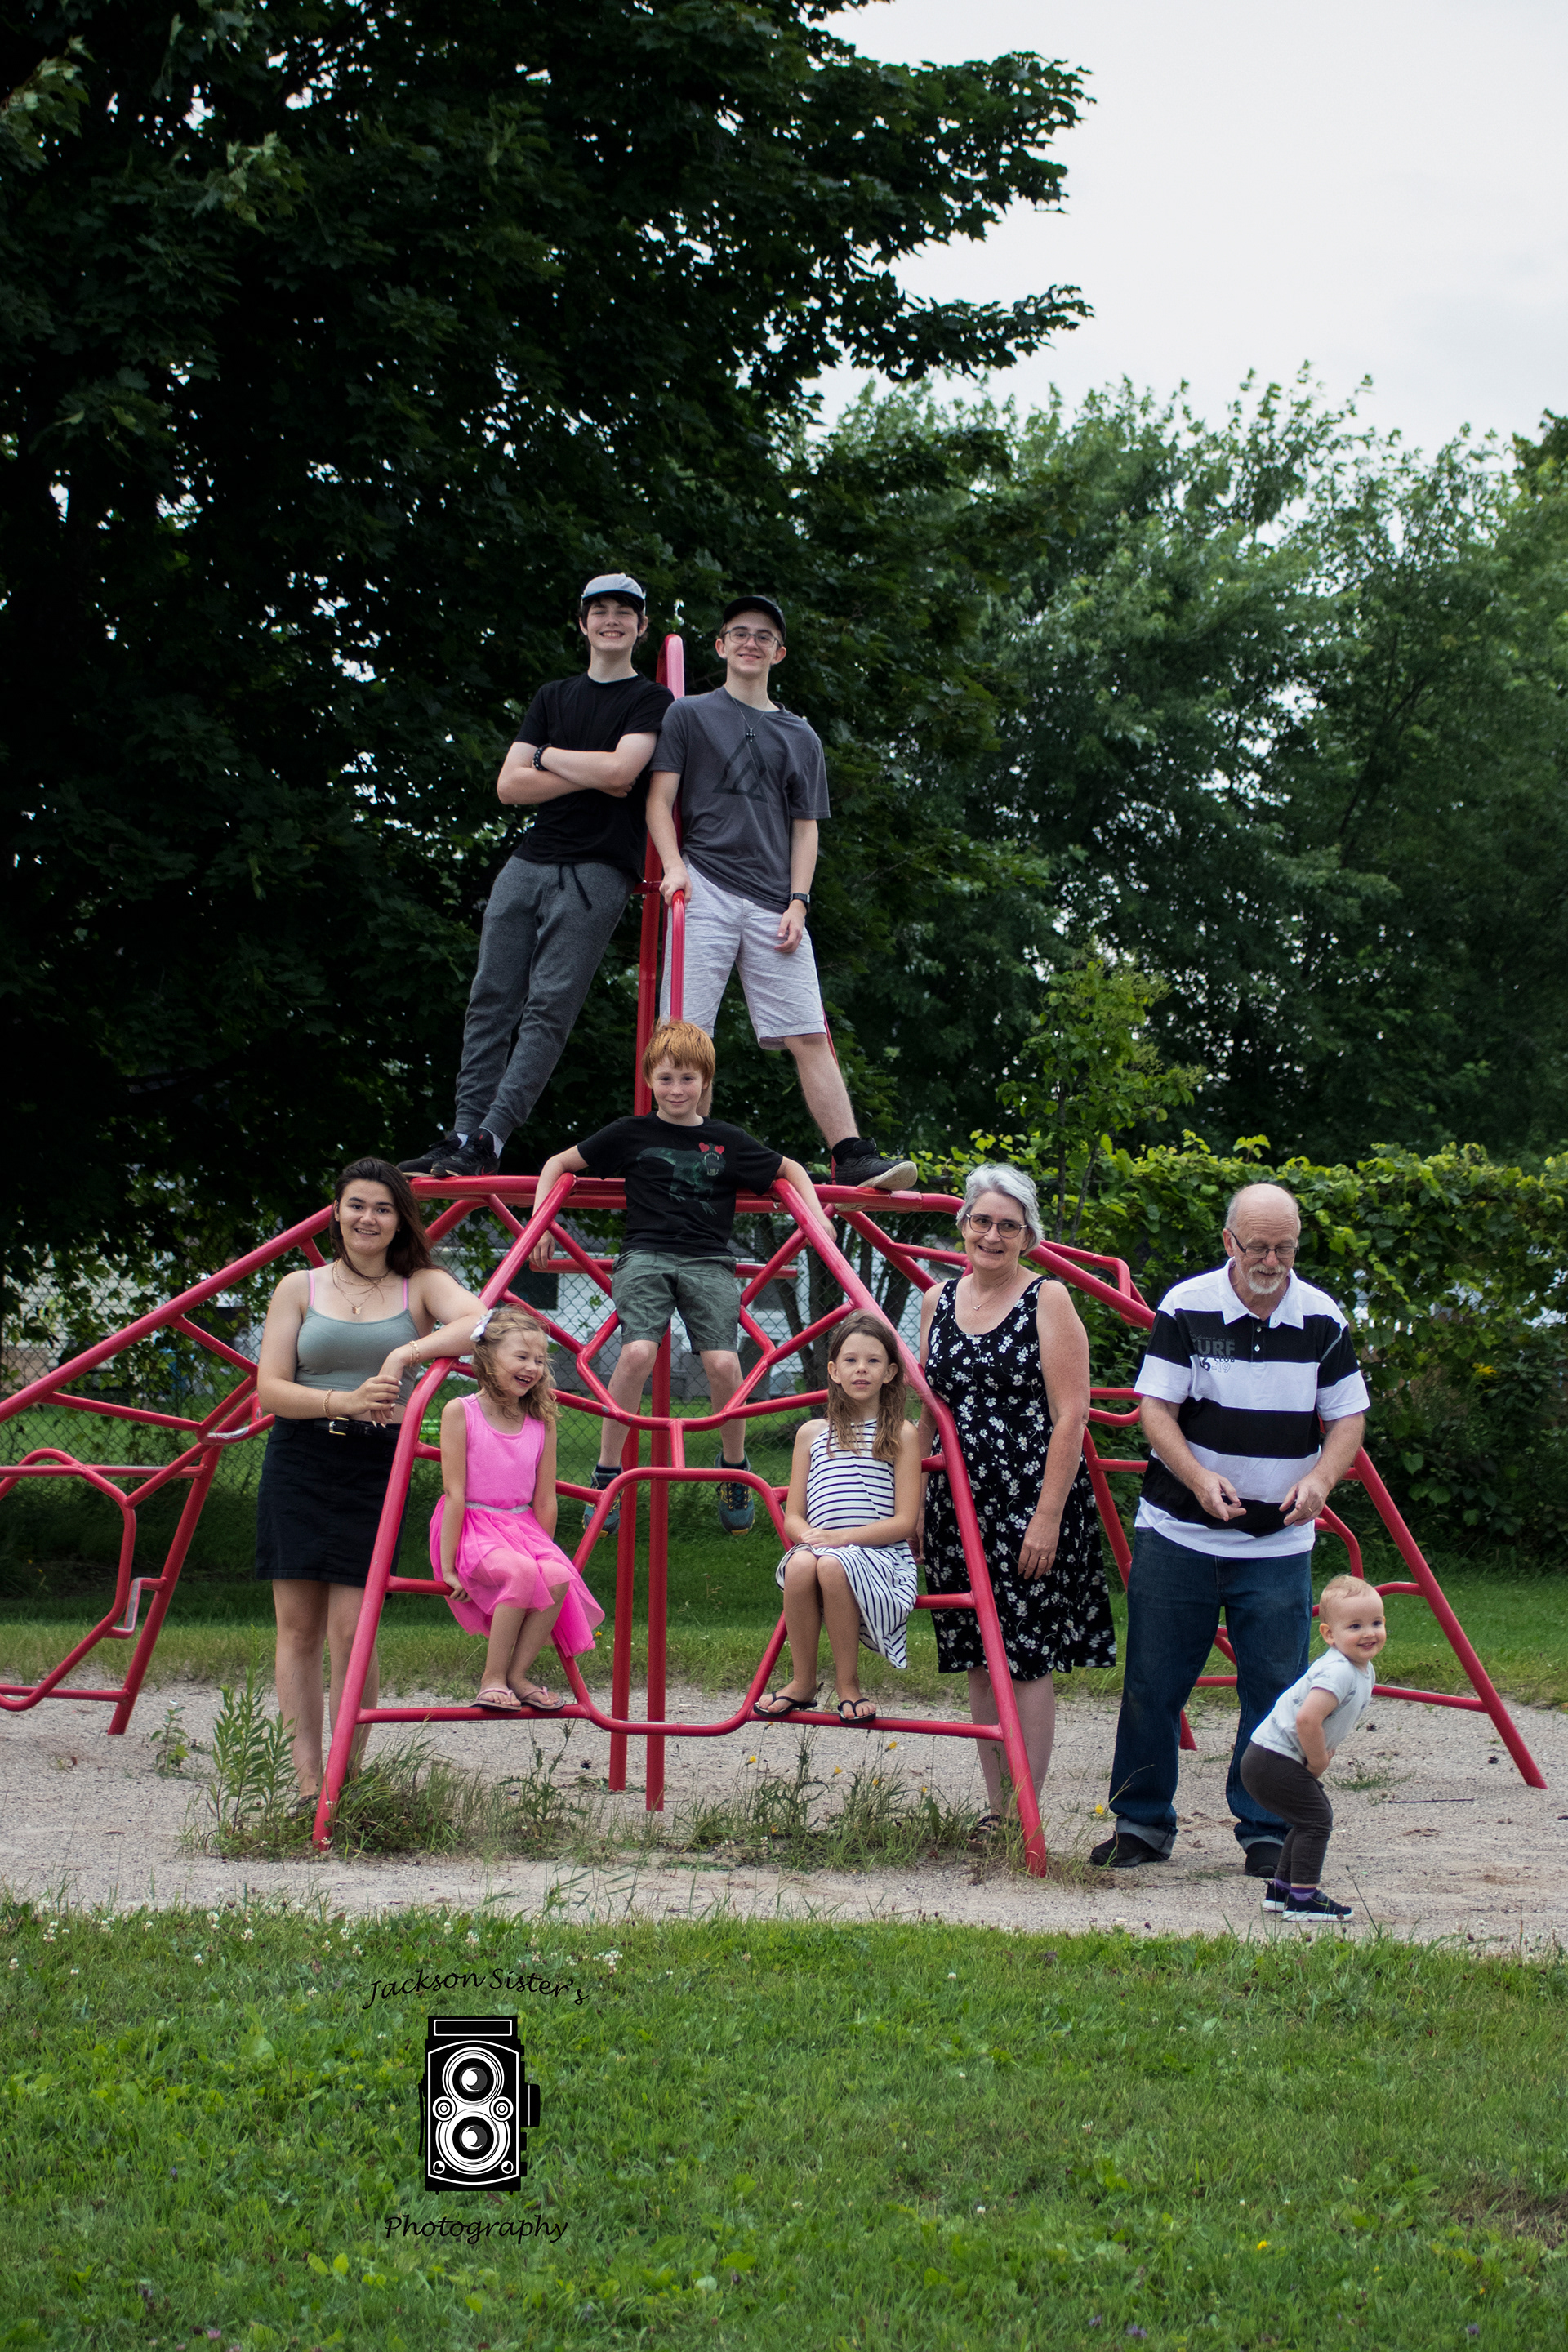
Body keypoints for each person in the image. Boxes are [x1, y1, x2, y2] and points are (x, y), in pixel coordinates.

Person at [1092, 1180, 1370, 1878]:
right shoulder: (1186, 1304)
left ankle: (1267, 1829)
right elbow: (1155, 1410)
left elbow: (1348, 1417)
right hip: (1178, 1529)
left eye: (1285, 1247)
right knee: (1153, 1684)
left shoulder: (1323, 1317)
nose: (1272, 1261)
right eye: (1259, 1247)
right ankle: (1141, 1823)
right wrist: (1196, 1477)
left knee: (1275, 1689)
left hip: (1279, 1539)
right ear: (1229, 1242)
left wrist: (1321, 1480)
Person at [399, 573, 673, 1182]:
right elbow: (509, 785)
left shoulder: (651, 700)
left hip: (598, 870)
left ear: (641, 627)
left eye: (624, 612)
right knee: (489, 999)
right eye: (599, 610)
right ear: (582, 623)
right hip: (529, 862)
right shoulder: (553, 696)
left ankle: (492, 1137)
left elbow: (622, 774)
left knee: (549, 1007)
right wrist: (583, 768)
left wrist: (546, 758)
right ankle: (462, 1134)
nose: (611, 620)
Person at [646, 595, 915, 1192]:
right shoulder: (689, 714)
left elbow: (805, 828)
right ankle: (681, 1155)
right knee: (686, 1036)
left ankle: (852, 1155)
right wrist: (674, 867)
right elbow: (659, 801)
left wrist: (799, 901)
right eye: (739, 633)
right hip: (706, 882)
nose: (751, 642)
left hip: (774, 901)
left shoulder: (800, 734)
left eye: (763, 636)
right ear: (721, 645)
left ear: (779, 652)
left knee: (809, 1031)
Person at [531, 1018, 835, 1537]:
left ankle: (734, 1469)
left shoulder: (725, 1140)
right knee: (636, 1353)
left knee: (724, 1362)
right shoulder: (630, 1133)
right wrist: (542, 1222)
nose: (676, 1089)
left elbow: (792, 1170)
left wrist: (816, 1218)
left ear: (705, 1082)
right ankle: (608, 1471)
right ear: (650, 1079)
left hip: (708, 1260)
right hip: (645, 1255)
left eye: (688, 1078)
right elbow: (558, 1164)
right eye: (667, 1078)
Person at [254, 1158, 486, 1804]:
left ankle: (344, 1779)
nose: (368, 1218)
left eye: (383, 1208)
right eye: (357, 1205)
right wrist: (344, 1401)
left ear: (399, 1220)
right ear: (336, 1212)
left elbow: (483, 1324)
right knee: (297, 1627)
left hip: (375, 1463)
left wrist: (408, 1351)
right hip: (300, 1457)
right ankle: (307, 1781)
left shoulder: (421, 1285)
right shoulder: (298, 1287)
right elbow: (270, 1389)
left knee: (353, 1630)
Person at [916, 1165, 1116, 1838]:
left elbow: (1072, 1415)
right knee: (979, 1652)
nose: (993, 1236)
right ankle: (997, 1810)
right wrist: (915, 1504)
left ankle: (1025, 1812)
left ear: (1028, 1236)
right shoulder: (936, 1299)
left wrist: (1048, 1516)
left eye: (1009, 1225)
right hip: (956, 1501)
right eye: (982, 1221)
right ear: (963, 1225)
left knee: (1024, 1654)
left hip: (1029, 1499)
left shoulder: (1047, 1298)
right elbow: (929, 1412)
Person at [430, 1304, 604, 1714]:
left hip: (522, 1527)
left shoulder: (541, 1419)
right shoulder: (461, 1412)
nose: (532, 1368)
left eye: (540, 1360)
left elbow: (545, 1498)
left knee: (557, 1575)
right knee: (522, 1572)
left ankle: (518, 1675)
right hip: (472, 1524)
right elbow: (454, 1493)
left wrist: (544, 1549)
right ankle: (491, 1677)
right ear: (489, 1357)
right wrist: (448, 1565)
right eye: (522, 1356)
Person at [755, 1311, 922, 1728]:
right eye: (850, 1360)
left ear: (890, 1373)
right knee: (800, 1564)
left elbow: (905, 1522)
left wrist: (841, 1538)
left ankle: (849, 1685)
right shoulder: (811, 1434)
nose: (861, 1369)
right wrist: (810, 1537)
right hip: (823, 1548)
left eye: (873, 1361)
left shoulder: (901, 1433)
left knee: (831, 1563)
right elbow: (794, 1515)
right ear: (833, 1371)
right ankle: (803, 1681)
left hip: (881, 1557)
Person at [1240, 1574, 1387, 1925]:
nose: (1368, 1633)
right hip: (1273, 1759)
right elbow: (1307, 1719)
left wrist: (1323, 1750)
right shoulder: (1338, 1672)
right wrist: (1319, 1759)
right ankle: (1303, 1899)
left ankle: (1282, 1891)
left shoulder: (1360, 1668)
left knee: (1306, 1819)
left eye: (1376, 1623)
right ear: (1329, 1634)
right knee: (1317, 1820)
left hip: (1268, 1758)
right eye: (1355, 1626)